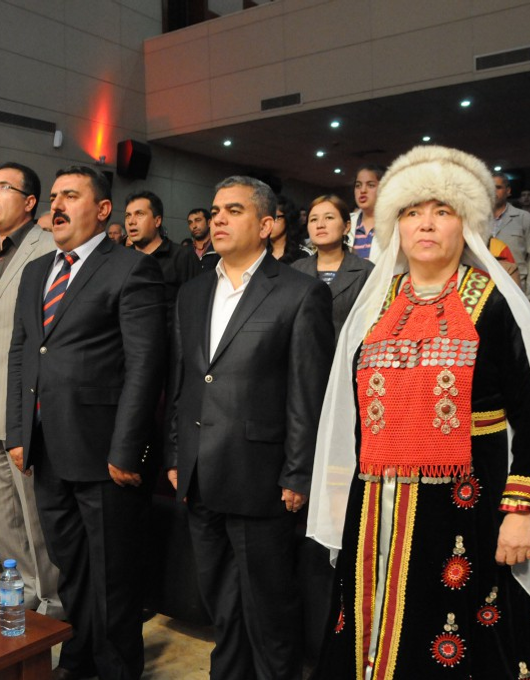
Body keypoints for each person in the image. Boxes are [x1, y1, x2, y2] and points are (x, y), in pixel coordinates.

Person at [308, 145, 530, 679]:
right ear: (395, 226)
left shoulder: (494, 303)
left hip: (467, 509)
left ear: (468, 225)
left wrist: (521, 511)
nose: (426, 224)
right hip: (375, 506)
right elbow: (351, 415)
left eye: (442, 211)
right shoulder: (374, 307)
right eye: (412, 212)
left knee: (460, 638)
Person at [166, 176, 334, 680]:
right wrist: (176, 453)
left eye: (233, 210)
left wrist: (298, 473)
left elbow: (309, 392)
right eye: (215, 210)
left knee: (269, 605)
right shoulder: (193, 291)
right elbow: (184, 380)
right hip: (200, 469)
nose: (218, 218)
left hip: (261, 475)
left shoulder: (300, 293)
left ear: (265, 225)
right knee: (220, 600)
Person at [6, 166, 167, 680]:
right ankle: (78, 656)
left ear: (102, 210)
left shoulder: (131, 268)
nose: (56, 205)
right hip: (47, 447)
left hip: (104, 454)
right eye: (53, 196)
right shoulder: (37, 271)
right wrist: (18, 434)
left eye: (70, 196)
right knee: (70, 566)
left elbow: (145, 366)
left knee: (113, 575)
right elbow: (22, 354)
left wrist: (127, 449)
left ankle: (117, 668)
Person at [0, 162, 62, 617]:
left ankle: (53, 596)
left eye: (3, 187)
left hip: (24, 403)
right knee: (2, 514)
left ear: (29, 202)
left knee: (35, 512)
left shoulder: (49, 248)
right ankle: (24, 585)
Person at [292, 195, 374, 338]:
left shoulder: (367, 271)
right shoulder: (295, 271)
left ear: (346, 227)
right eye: (313, 219)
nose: (320, 225)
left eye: (329, 218)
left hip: (349, 350)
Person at [125, 190, 197, 313]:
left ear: (157, 221)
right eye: (128, 215)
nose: (131, 221)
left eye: (139, 214)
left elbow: (193, 304)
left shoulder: (182, 256)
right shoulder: (122, 258)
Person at [490, 172, 530, 295]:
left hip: (516, 285)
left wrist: (529, 291)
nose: (492, 191)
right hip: (484, 286)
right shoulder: (476, 219)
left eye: (498, 187)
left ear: (508, 191)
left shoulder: (524, 218)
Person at [349, 164, 384, 260]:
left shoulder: (396, 223)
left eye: (371, 185)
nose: (363, 190)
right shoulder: (346, 222)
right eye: (358, 185)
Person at [270, 195, 310, 264]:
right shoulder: (259, 252)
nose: (268, 224)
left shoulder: (303, 255)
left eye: (275, 217)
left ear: (288, 218)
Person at [188, 207, 220, 272]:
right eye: (190, 222)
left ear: (209, 223)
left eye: (198, 220)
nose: (194, 226)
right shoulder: (185, 252)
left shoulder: (220, 249)